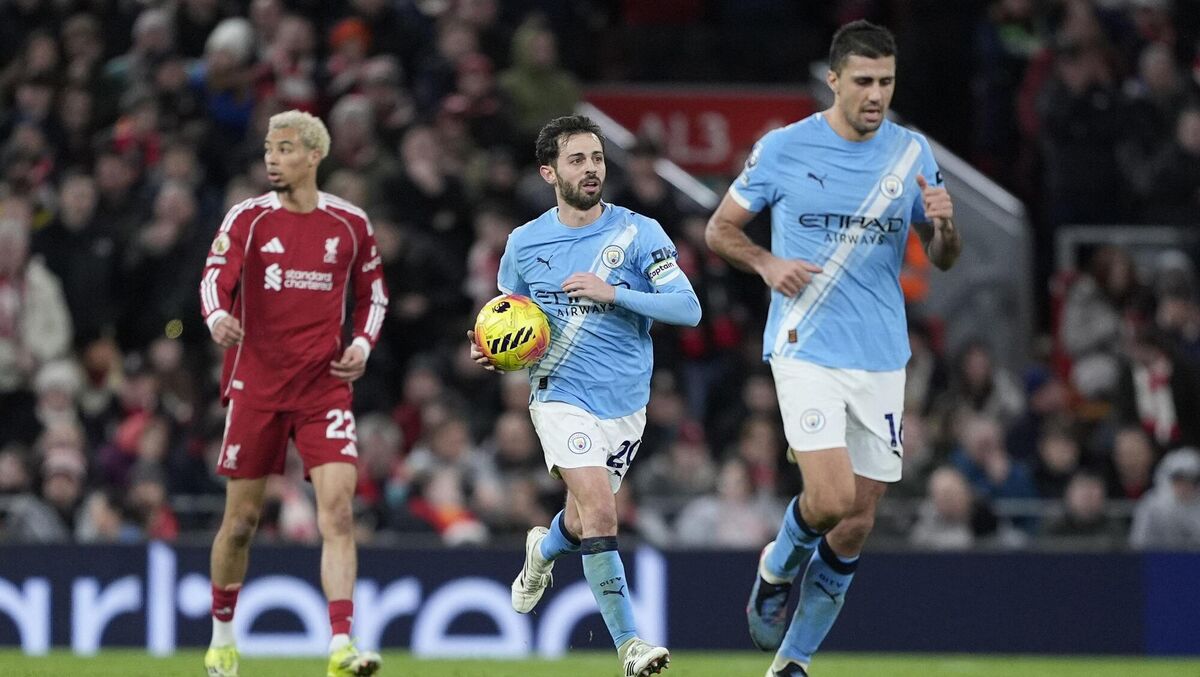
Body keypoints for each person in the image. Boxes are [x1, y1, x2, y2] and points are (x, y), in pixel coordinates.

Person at [704, 21, 962, 677]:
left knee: (856, 522)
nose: (877, 94)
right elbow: (720, 229)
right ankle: (776, 565)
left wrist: (946, 225)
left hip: (881, 353)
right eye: (865, 82)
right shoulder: (784, 148)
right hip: (806, 343)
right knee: (828, 498)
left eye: (887, 82)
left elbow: (943, 258)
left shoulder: (911, 154)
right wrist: (765, 263)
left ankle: (793, 662)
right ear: (835, 80)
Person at [467, 114, 700, 677]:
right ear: (549, 171)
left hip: (625, 405)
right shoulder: (524, 243)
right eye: (577, 160)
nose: (591, 168)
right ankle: (630, 647)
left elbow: (688, 309)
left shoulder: (639, 233)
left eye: (596, 158)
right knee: (600, 509)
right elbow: (509, 315)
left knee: (578, 521)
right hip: (558, 394)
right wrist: (494, 349)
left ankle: (541, 553)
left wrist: (615, 292)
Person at [198, 110, 388, 677]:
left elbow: (373, 293)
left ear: (313, 155)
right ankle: (223, 638)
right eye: (268, 150)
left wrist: (362, 345)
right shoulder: (249, 218)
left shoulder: (350, 224)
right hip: (256, 385)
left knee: (338, 513)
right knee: (241, 523)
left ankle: (339, 647)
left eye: (283, 150)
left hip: (324, 389)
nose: (272, 160)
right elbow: (214, 277)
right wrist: (214, 319)